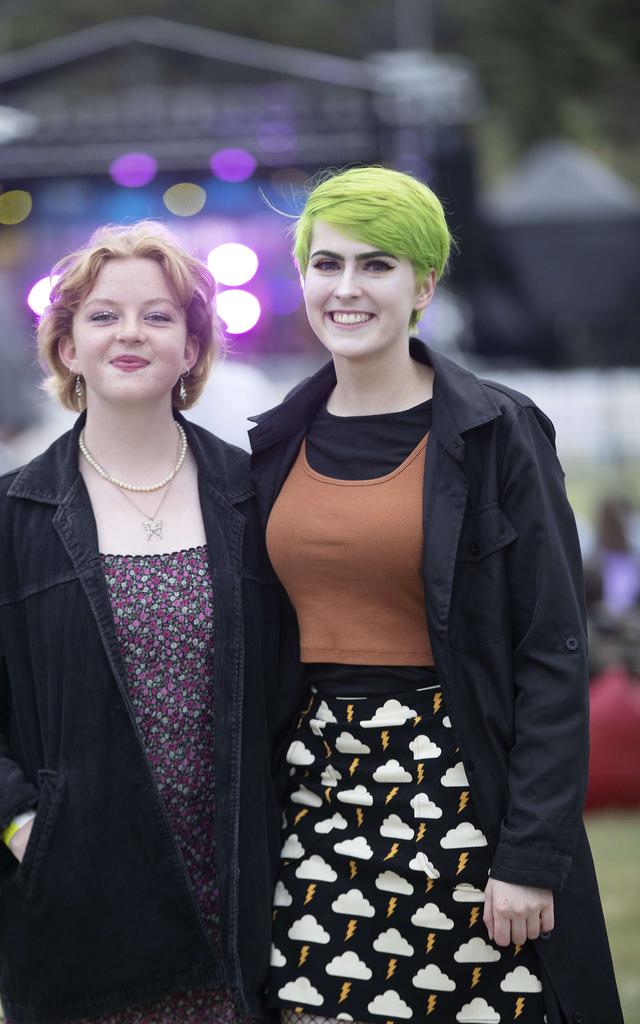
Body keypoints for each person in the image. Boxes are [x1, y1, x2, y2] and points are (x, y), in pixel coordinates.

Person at [248, 167, 623, 1024]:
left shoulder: (499, 430)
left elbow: (554, 651)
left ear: (423, 283)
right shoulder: (271, 444)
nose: (346, 288)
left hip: (462, 799)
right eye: (327, 263)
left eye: (377, 266)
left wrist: (531, 853)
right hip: (315, 805)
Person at [0, 222, 281, 1024]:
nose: (131, 333)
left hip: (249, 912)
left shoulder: (259, 501)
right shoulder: (5, 520)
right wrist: (24, 827)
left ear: (193, 348)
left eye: (159, 315)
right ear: (67, 347)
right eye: (103, 316)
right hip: (83, 922)